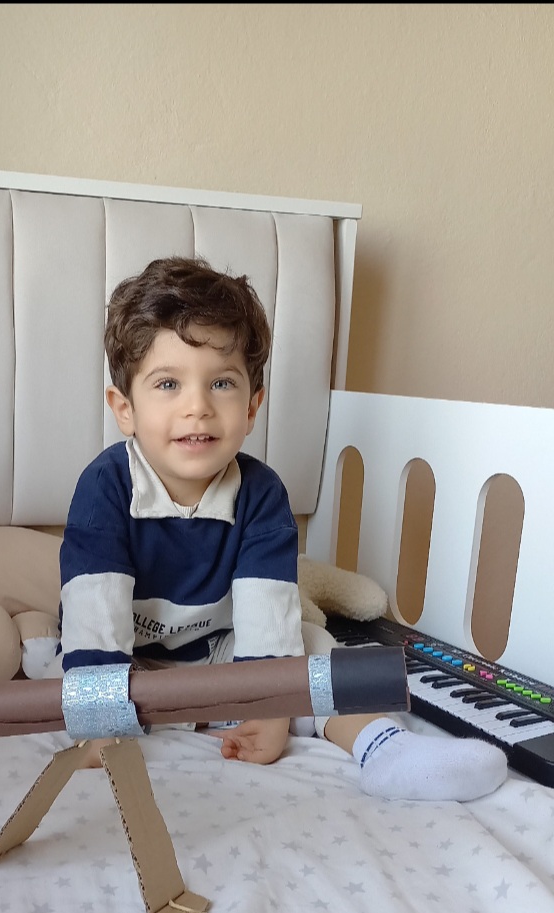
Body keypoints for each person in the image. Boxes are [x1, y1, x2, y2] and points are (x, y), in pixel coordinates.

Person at [54, 255, 507, 801]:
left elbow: (267, 619)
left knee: (312, 646)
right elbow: (96, 619)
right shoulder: (104, 487)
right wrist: (100, 719)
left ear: (252, 407)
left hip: (220, 653)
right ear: (124, 408)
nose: (198, 407)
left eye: (221, 383)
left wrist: (269, 709)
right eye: (168, 384)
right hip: (130, 660)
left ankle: (385, 747)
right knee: (69, 672)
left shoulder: (261, 493)